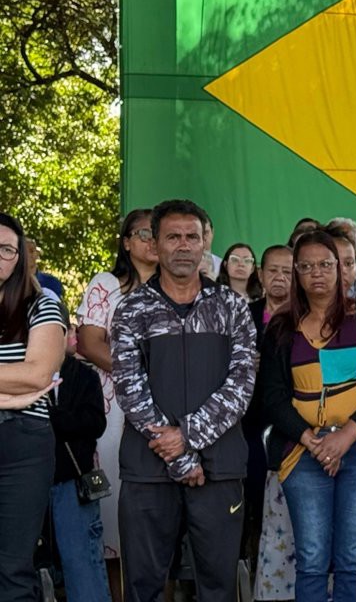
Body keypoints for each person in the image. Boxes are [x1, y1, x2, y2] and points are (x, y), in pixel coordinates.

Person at [110, 199, 257, 601]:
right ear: (155, 245)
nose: (183, 245)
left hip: (220, 468)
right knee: (144, 586)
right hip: (148, 470)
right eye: (173, 237)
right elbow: (129, 386)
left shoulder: (231, 307)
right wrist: (179, 456)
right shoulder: (132, 309)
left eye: (192, 237)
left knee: (217, 586)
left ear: (204, 243)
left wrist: (187, 438)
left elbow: (241, 384)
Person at [260, 230, 356, 602]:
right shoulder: (280, 327)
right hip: (302, 451)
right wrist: (312, 440)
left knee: (352, 558)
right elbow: (272, 397)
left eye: (325, 264)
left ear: (343, 269)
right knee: (310, 559)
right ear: (296, 274)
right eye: (306, 266)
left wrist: (345, 437)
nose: (317, 273)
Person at [75, 208, 157, 578]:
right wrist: (138, 377)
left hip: (166, 406)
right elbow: (90, 344)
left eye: (159, 232)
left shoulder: (181, 286)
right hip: (113, 405)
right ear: (126, 242)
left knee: (156, 517)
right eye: (143, 233)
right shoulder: (106, 284)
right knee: (112, 505)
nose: (153, 240)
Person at [0, 212, 67, 599]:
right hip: (22, 416)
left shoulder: (43, 306)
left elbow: (39, 375)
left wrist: (25, 387)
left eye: (7, 249)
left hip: (23, 446)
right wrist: (13, 389)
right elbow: (24, 376)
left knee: (12, 569)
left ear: (20, 258)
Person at [244, 245, 293, 569]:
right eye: (273, 270)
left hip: (292, 422)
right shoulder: (243, 314)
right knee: (251, 503)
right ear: (260, 275)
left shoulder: (306, 318)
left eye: (288, 271)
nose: (279, 278)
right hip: (249, 420)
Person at [48, 352, 111, 602]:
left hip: (73, 480)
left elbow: (96, 424)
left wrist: (55, 418)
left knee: (82, 561)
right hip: (28, 480)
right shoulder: (22, 372)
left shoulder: (85, 375)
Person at [26, 236, 65, 303]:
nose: (28, 254)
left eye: (31, 251)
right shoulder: (10, 281)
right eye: (24, 251)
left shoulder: (52, 282)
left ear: (37, 254)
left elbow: (57, 309)